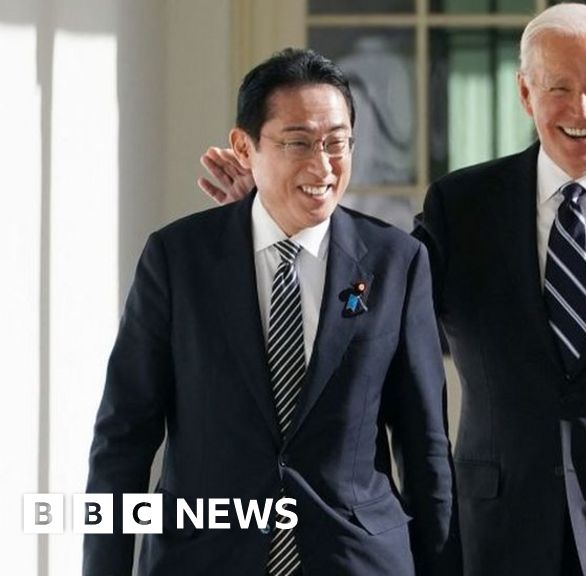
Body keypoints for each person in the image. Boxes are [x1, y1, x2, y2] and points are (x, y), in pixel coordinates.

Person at [200, 5, 586, 575]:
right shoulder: (463, 208)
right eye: (558, 87)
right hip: (495, 537)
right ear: (526, 95)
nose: (581, 108)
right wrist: (275, 214)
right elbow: (370, 297)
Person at [86, 48, 458, 576]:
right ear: (245, 145)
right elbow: (123, 437)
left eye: (337, 143)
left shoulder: (397, 262)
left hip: (357, 560)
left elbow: (426, 451)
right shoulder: (178, 259)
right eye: (299, 143)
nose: (323, 166)